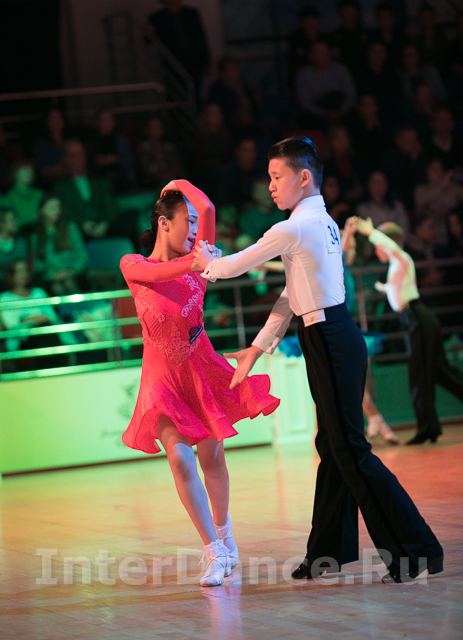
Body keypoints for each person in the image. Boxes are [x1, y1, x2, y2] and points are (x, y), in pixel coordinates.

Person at [192, 136, 443, 583]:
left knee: (349, 449)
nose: (270, 185)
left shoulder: (296, 227)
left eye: (277, 176)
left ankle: (416, 551)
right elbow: (292, 295)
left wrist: (203, 258)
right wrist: (258, 347)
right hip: (332, 335)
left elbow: (231, 268)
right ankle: (328, 554)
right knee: (333, 445)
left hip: (329, 338)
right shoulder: (318, 221)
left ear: (303, 177)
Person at [119, 179, 279, 587]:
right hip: (161, 378)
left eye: (195, 224)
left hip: (201, 369)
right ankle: (213, 551)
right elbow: (162, 271)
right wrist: (196, 261)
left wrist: (177, 185)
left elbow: (206, 208)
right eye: (186, 222)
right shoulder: (133, 264)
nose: (195, 229)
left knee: (212, 461)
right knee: (179, 458)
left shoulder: (199, 259)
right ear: (163, 223)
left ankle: (226, 536)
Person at [355, 217, 463, 445]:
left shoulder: (402, 257)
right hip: (416, 319)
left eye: (378, 246)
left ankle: (426, 428)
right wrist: (384, 288)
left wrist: (371, 232)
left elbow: (392, 249)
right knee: (439, 372)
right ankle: (429, 427)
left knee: (420, 375)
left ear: (386, 243)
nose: (377, 251)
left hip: (418, 319)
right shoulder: (398, 264)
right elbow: (398, 291)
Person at [341, 216, 399, 444]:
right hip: (336, 329)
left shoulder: (344, 270)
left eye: (354, 247)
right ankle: (376, 420)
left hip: (345, 328)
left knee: (356, 379)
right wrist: (348, 231)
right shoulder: (336, 266)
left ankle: (375, 420)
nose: (352, 251)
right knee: (343, 380)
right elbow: (341, 253)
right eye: (350, 246)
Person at [53, 140, 117, 239]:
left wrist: (105, 223)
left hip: (107, 230)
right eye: (75, 155)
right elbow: (63, 211)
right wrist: (83, 223)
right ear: (66, 159)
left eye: (82, 154)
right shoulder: (60, 188)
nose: (80, 159)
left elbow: (110, 205)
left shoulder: (100, 182)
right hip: (77, 234)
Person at [30, 196, 88, 296]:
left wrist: (71, 271)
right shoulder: (36, 236)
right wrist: (51, 276)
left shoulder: (71, 228)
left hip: (73, 273)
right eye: (52, 207)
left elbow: (82, 255)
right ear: (42, 210)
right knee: (57, 287)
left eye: (58, 207)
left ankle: (79, 306)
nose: (57, 211)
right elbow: (38, 264)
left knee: (69, 283)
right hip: (51, 278)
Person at [2, 162, 45, 232]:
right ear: (15, 174)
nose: (28, 173)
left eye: (30, 171)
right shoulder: (8, 198)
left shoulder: (40, 194)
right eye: (24, 170)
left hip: (40, 233)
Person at [0, 207, 28, 286]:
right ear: (1, 223)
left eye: (15, 219)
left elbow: (25, 268)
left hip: (20, 286)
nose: (16, 222)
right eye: (12, 219)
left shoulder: (21, 243)